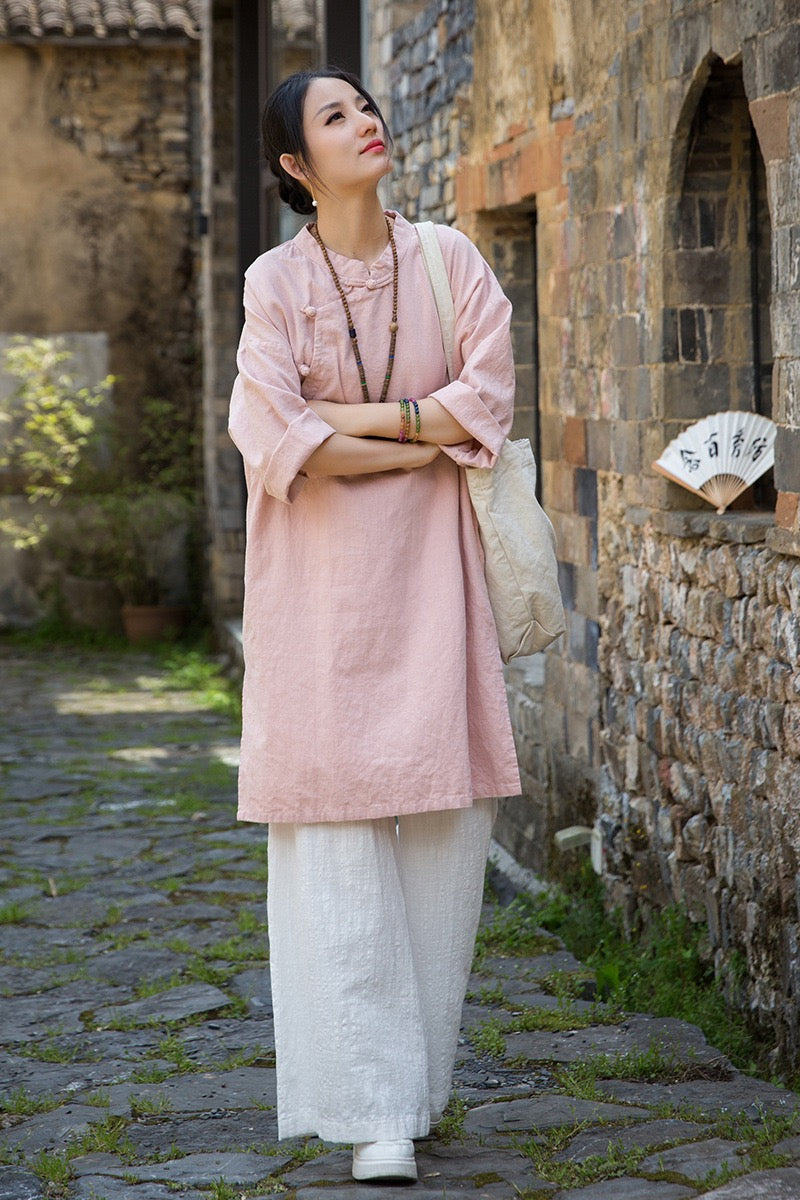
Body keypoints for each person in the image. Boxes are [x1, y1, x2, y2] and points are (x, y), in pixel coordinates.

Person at [228, 67, 521, 1184]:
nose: (366, 123)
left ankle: (414, 1087)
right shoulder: (273, 282)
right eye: (334, 117)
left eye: (364, 106)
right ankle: (372, 1113)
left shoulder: (449, 260)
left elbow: (484, 403)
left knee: (445, 833)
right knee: (335, 842)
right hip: (315, 597)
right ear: (295, 165)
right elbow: (273, 437)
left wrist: (347, 423)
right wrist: (417, 437)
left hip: (435, 582)